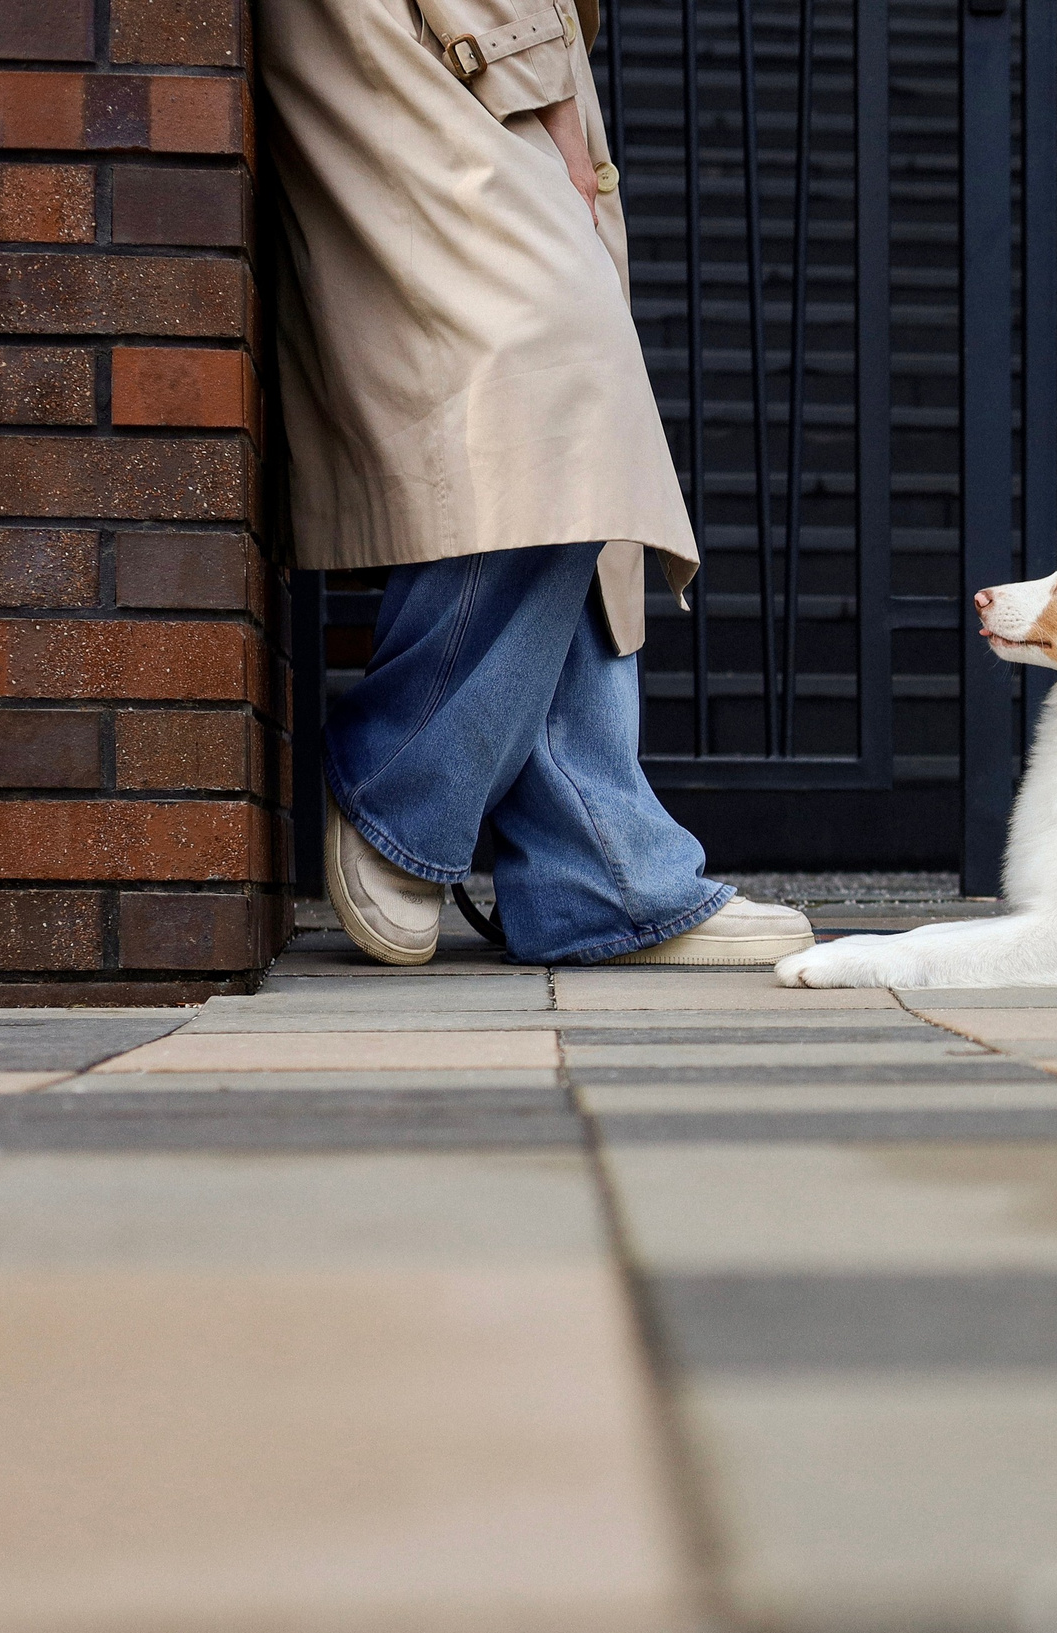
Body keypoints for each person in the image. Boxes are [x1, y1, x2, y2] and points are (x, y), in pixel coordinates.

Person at [260, 0, 813, 967]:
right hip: (427, 43)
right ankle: (400, 779)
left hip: (467, 46)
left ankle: (593, 868)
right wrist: (544, 85)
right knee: (557, 384)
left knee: (556, 434)